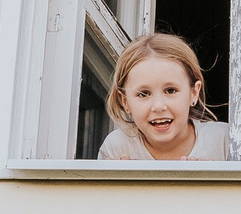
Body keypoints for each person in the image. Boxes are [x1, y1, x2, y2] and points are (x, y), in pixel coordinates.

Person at [95, 32, 230, 161]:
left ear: (194, 93)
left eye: (171, 90)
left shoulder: (225, 140)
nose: (158, 106)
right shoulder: (117, 147)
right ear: (125, 102)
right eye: (143, 94)